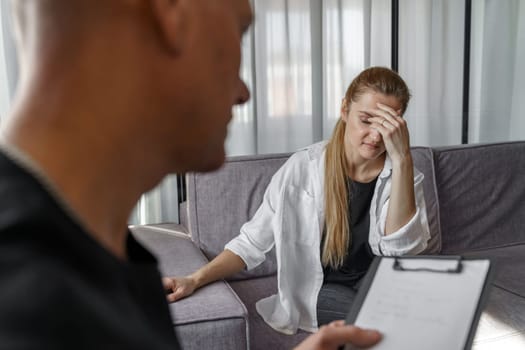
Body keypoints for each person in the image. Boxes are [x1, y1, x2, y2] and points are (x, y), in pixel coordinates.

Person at [0, 0, 380, 349]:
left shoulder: (98, 258)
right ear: (169, 13)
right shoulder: (28, 300)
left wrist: (196, 278)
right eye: (239, 32)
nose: (243, 92)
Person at [163, 66, 431, 333]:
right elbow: (251, 243)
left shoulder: (405, 176)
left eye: (386, 125)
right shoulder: (304, 167)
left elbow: (402, 254)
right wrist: (194, 279)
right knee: (379, 324)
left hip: (381, 284)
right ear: (345, 110)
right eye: (366, 119)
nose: (375, 136)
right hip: (320, 290)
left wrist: (402, 159)